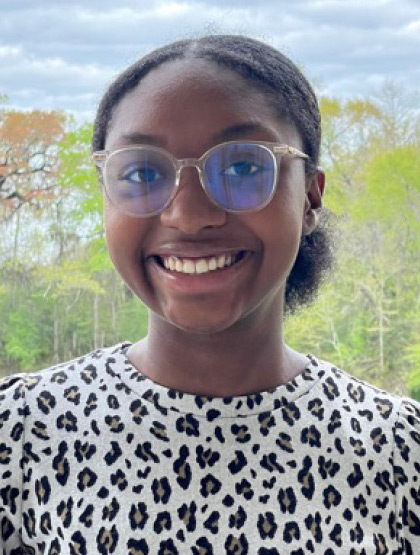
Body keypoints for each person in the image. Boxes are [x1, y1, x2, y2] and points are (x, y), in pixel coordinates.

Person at [0, 35, 419, 555]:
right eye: (142, 172)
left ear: (310, 198)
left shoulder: (399, 449)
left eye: (243, 167)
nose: (189, 214)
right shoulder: (22, 430)